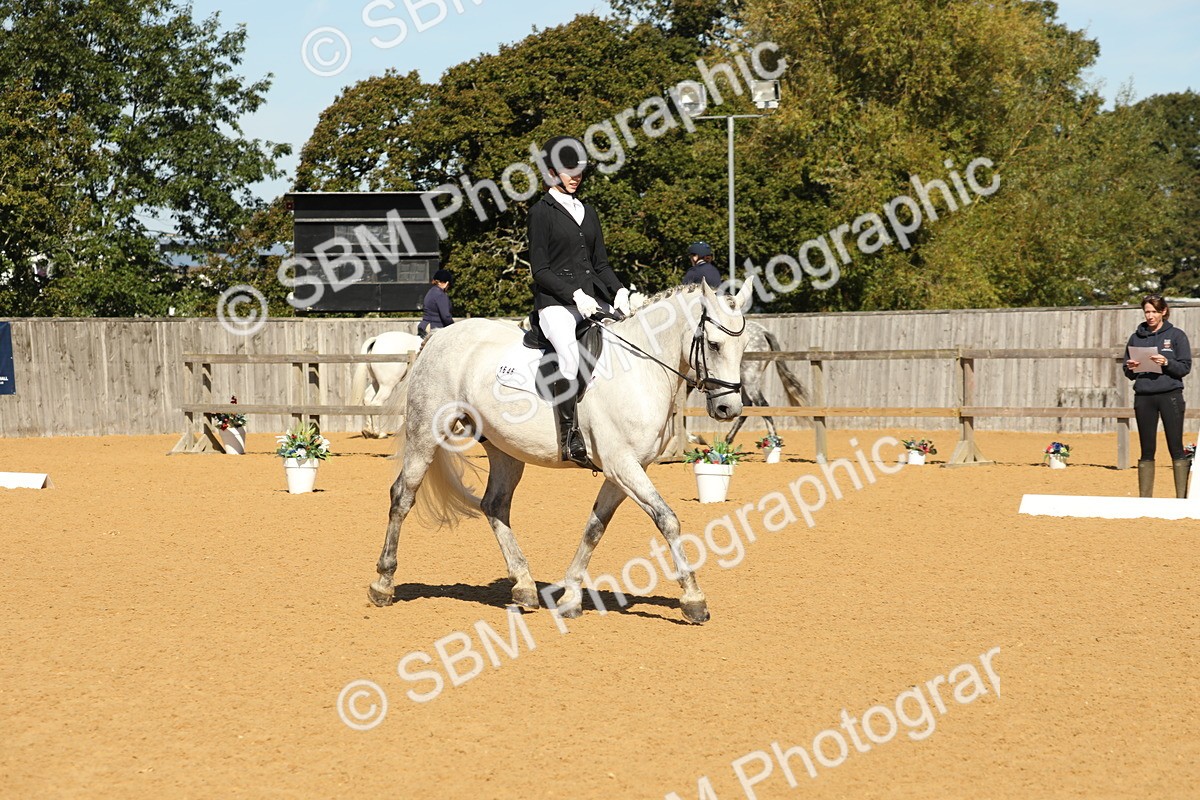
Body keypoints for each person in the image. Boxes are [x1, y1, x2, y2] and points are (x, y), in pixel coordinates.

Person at [528, 135, 632, 466]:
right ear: (551, 173)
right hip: (555, 304)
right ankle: (568, 437)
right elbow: (540, 270)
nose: (576, 176)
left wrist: (618, 291)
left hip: (590, 302)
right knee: (571, 361)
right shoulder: (540, 213)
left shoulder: (588, 212)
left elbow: (599, 264)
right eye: (568, 170)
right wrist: (574, 294)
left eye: (579, 171)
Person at [1123, 294, 1192, 497]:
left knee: (1176, 446)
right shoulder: (1135, 337)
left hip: (1170, 395)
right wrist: (1130, 367)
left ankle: (1181, 498)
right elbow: (1127, 373)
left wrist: (1166, 363)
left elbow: (1185, 367)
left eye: (1154, 311)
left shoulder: (1177, 335)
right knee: (1146, 448)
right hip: (1144, 396)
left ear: (1163, 312)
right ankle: (1145, 499)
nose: (1150, 315)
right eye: (1147, 311)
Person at [417, 269, 454, 339]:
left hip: (425, 326)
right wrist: (454, 327)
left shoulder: (431, 292)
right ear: (446, 283)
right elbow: (446, 317)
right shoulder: (440, 295)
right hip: (435, 329)